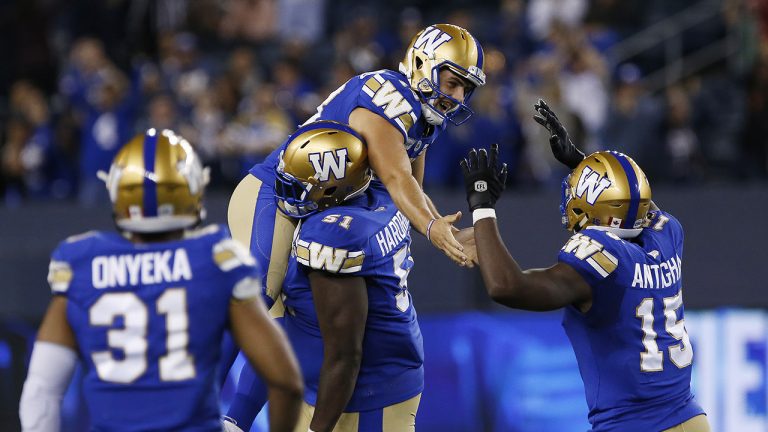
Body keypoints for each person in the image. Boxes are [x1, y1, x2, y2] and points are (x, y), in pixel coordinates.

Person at [18, 129, 303, 431]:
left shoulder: (81, 262)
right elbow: (284, 381)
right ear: (191, 188)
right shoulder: (217, 261)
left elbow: (42, 391)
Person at [458, 100, 711, 432]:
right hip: (691, 419)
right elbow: (635, 199)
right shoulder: (666, 234)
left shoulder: (602, 260)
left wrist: (482, 206)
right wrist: (582, 162)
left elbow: (506, 286)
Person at [225, 121, 424, 432]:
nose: (284, 194)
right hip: (347, 387)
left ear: (332, 189)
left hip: (363, 401)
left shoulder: (332, 236)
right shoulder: (381, 193)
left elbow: (345, 356)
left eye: (298, 185)